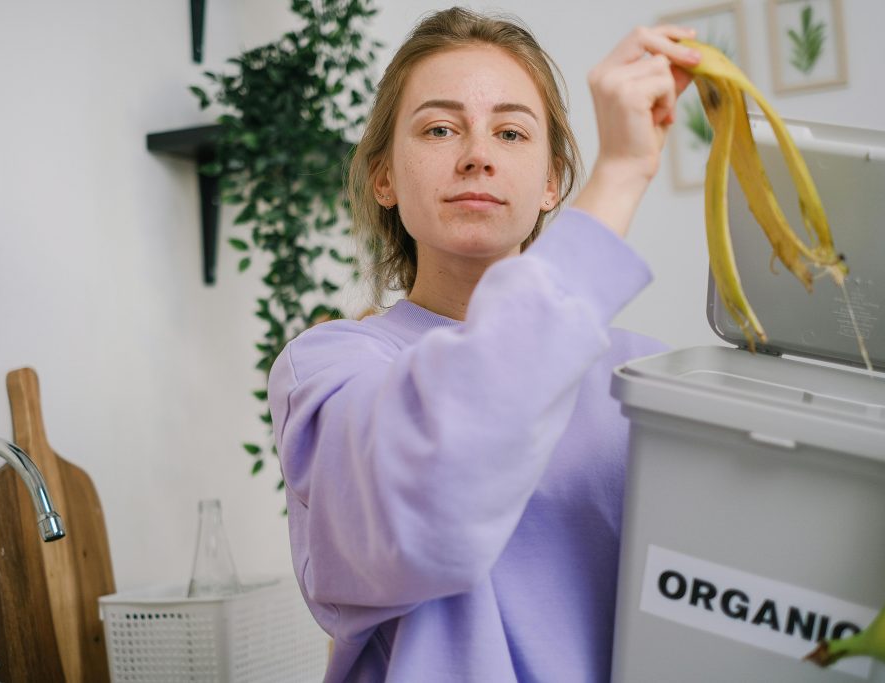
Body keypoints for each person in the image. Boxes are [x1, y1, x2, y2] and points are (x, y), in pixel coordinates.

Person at [268, 7, 700, 682]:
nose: (477, 153)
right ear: (383, 178)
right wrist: (619, 174)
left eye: (510, 131)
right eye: (439, 128)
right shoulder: (330, 369)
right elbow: (430, 504)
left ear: (552, 181)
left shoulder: (649, 378)